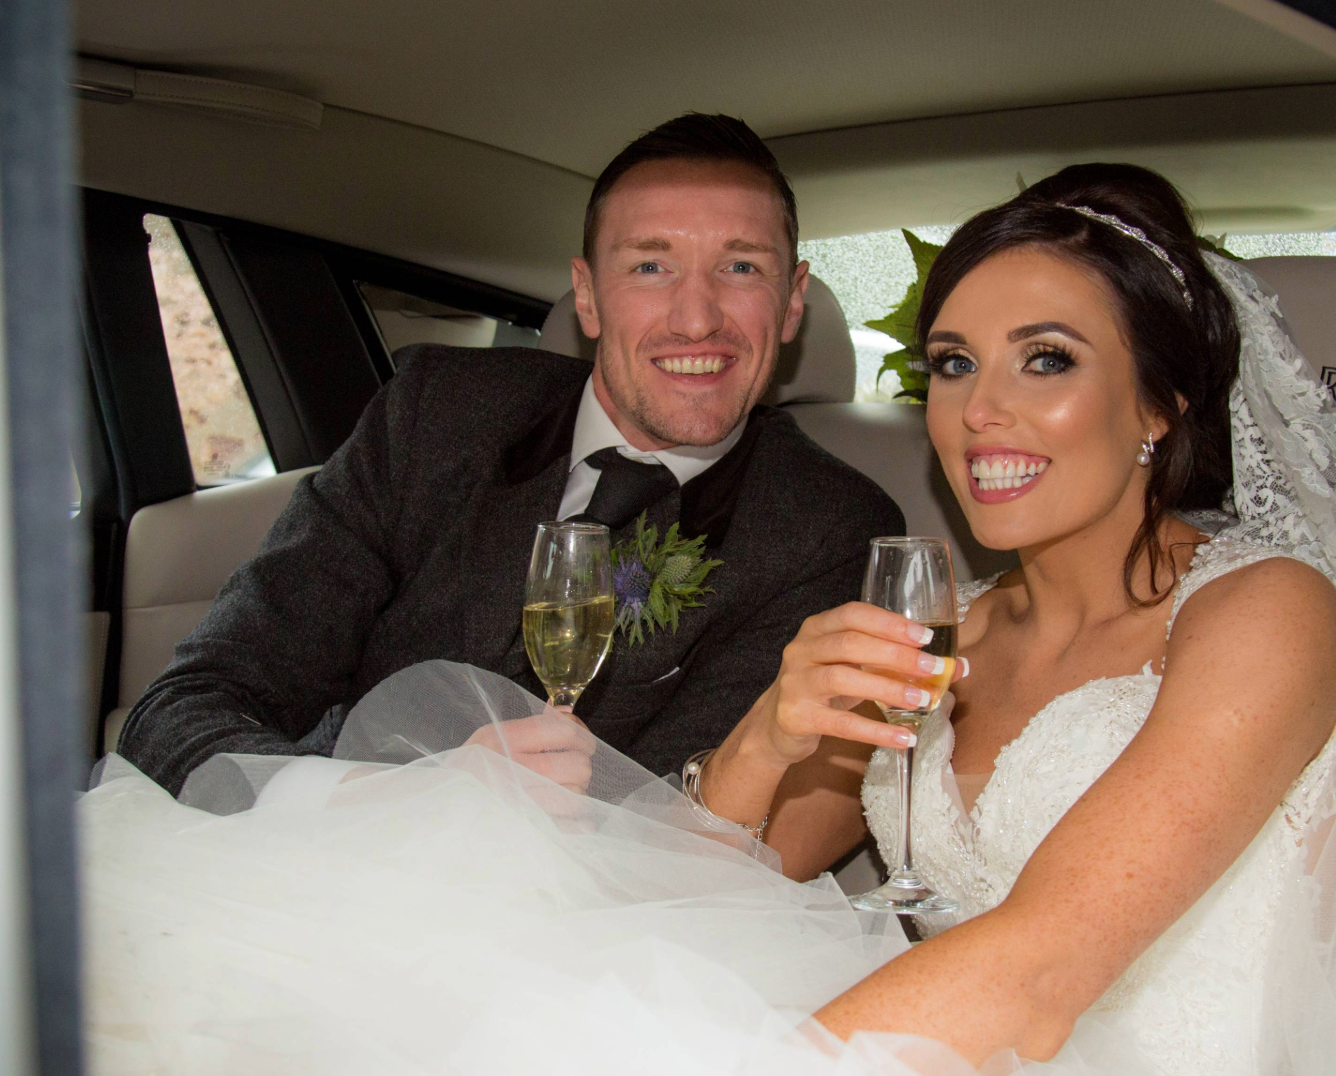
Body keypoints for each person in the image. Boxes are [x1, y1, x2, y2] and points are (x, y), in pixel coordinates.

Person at [80, 164, 1336, 1076]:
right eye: (951, 363)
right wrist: (772, 727)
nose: (979, 412)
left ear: (1162, 406)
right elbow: (721, 874)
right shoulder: (938, 621)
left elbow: (1044, 969)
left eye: (1048, 361)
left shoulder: (1266, 613)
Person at [114, 113, 903, 794]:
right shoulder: (434, 415)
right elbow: (185, 706)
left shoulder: (826, 530)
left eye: (740, 267)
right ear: (587, 296)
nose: (696, 318)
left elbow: (682, 822)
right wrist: (366, 801)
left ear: (793, 299)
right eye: (650, 266)